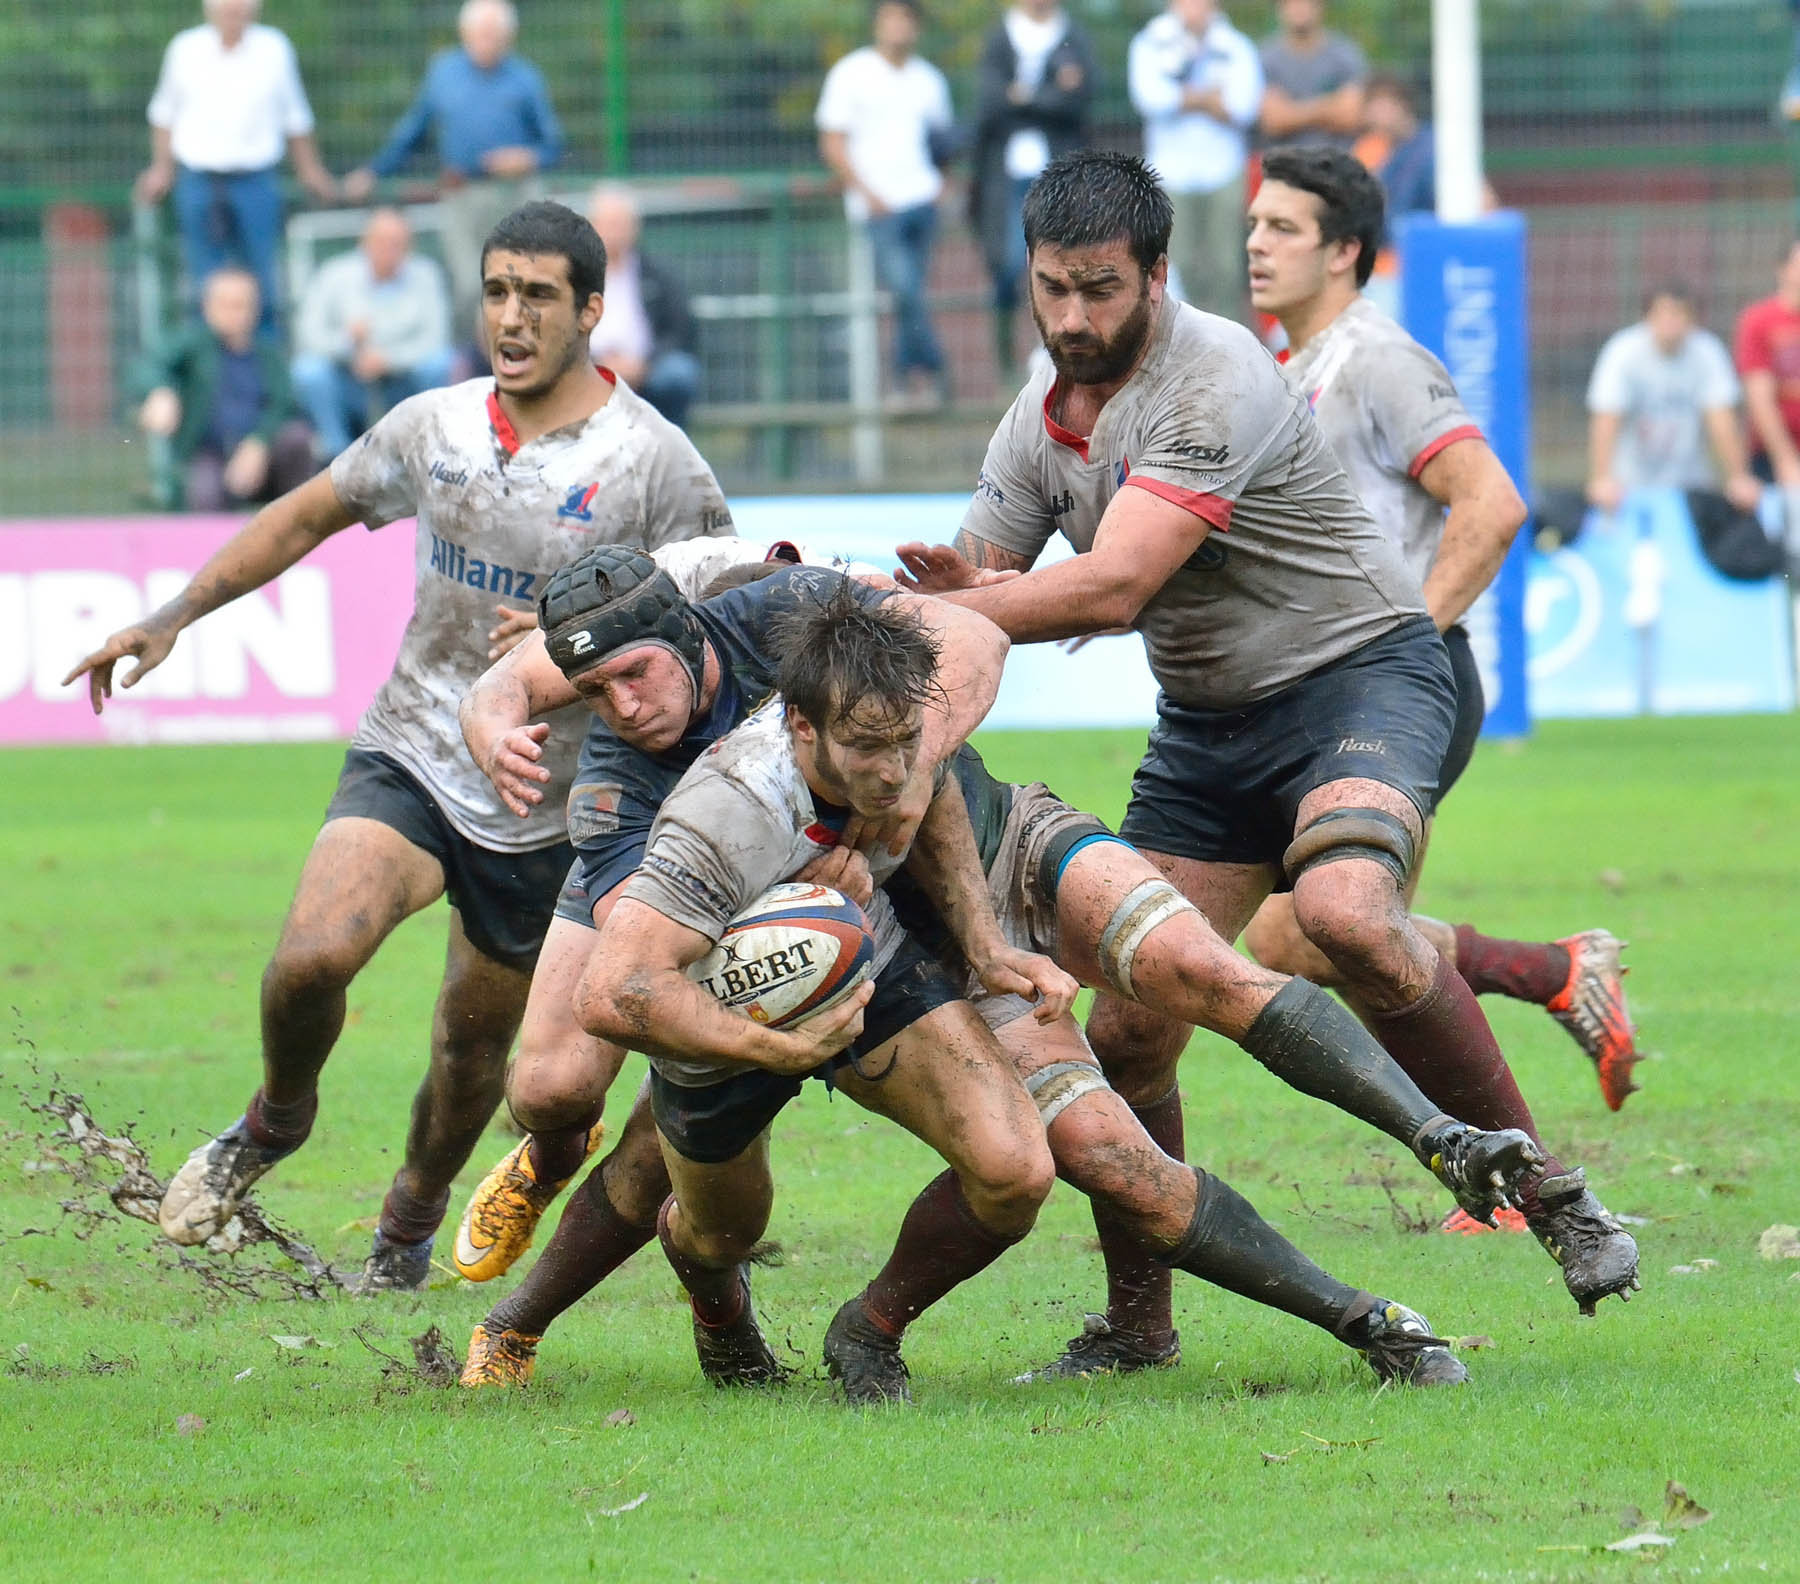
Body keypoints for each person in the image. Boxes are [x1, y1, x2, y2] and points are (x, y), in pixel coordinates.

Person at [453, 546, 1537, 1389]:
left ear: (692, 639)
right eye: (593, 693)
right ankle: (574, 1312)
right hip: (762, 973)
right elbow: (625, 986)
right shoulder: (673, 809)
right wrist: (770, 1036)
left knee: (1052, 1141)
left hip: (927, 912)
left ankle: (1429, 1197)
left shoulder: (795, 623)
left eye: (633, 675)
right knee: (653, 1162)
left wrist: (946, 867)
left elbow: (965, 640)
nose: (623, 707)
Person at [892, 151, 1640, 1357]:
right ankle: (1140, 1330)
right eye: (1053, 290)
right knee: (1131, 1027)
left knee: (1344, 912)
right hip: (1207, 729)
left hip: (1362, 676)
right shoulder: (1037, 419)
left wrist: (963, 607)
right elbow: (985, 584)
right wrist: (951, 598)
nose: (1074, 318)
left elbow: (1119, 581)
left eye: (1100, 289)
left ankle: (1552, 1198)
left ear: (1154, 275)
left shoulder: (1216, 372)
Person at [64, 202, 732, 1292]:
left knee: (469, 1057)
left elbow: (710, 612)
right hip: (416, 744)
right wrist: (175, 613)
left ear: (592, 311)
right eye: (496, 290)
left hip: (548, 808)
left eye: (538, 296)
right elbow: (306, 513)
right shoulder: (435, 426)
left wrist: (594, 637)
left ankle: (405, 1230)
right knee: (308, 960)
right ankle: (274, 1122)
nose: (510, 317)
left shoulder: (653, 460)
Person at [1237, 148, 1643, 1146]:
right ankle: (1550, 977)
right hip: (1316, 699)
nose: (1255, 243)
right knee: (1295, 935)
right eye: (1254, 223)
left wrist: (1399, 651)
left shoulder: (1380, 358)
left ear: (1344, 254)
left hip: (1397, 694)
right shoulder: (1297, 370)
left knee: (1338, 934)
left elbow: (1493, 503)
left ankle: (1505, 1166)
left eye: (1282, 228)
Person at [344, 0, 562, 345]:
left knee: (520, 282)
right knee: (468, 285)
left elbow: (553, 145)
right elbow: (412, 132)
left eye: (494, 34)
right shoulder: (444, 74)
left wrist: (526, 157)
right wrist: (374, 170)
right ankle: (475, 366)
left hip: (515, 196)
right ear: (465, 33)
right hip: (461, 194)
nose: (486, 41)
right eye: (480, 33)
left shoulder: (525, 78)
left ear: (509, 36)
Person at [136, 0, 337, 323]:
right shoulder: (185, 49)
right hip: (199, 182)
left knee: (262, 283)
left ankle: (261, 368)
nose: (234, 7)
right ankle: (210, 370)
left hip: (256, 182)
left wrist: (310, 170)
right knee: (205, 284)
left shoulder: (274, 48)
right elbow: (164, 115)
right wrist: (163, 169)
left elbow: (295, 117)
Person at [816, 0, 955, 407]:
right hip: (878, 207)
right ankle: (933, 370)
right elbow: (832, 142)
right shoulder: (851, 73)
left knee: (909, 295)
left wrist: (940, 187)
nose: (898, 27)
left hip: (921, 202)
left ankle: (906, 381)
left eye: (906, 19)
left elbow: (942, 144)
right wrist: (864, 191)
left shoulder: (929, 80)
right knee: (906, 288)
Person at [970, 1, 1098, 381]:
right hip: (1008, 178)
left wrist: (1022, 96)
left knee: (1067, 264)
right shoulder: (999, 38)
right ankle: (1008, 362)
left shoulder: (1073, 36)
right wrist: (1048, 94)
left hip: (1060, 176)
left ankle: (1057, 355)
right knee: (1011, 264)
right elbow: (989, 102)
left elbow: (1079, 99)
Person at [135, 267, 314, 511]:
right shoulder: (193, 347)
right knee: (203, 490)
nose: (233, 313)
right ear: (207, 307)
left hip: (265, 457)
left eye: (240, 304)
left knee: (297, 439)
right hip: (209, 455)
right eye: (224, 304)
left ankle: (303, 520)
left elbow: (284, 404)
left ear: (255, 308)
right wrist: (160, 392)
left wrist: (259, 442)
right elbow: (150, 363)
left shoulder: (269, 355)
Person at [1127, 0, 1262, 321]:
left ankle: (1227, 345)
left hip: (1224, 170)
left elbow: (1245, 107)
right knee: (1176, 266)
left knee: (1226, 267)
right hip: (1171, 173)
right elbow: (1150, 98)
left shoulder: (1236, 46)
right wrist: (1208, 99)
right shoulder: (1150, 42)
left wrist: (1183, 97)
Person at [290, 208, 454, 459]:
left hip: (403, 382)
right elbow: (309, 335)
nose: (388, 249)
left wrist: (389, 360)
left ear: (410, 246)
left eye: (397, 243)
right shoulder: (333, 274)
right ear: (363, 242)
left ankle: (427, 447)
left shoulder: (426, 275)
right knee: (309, 371)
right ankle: (336, 455)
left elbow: (435, 340)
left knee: (440, 363)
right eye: (381, 242)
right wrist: (347, 343)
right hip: (349, 378)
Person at [1589, 284, 1757, 512]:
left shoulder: (1707, 352)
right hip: (1629, 490)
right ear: (1646, 317)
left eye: (1678, 313)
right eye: (1662, 313)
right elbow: (1607, 417)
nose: (1670, 321)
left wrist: (1739, 476)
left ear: (1693, 319)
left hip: (1690, 487)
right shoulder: (1623, 352)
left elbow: (1721, 420)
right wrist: (1602, 478)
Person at [585, 184, 702, 430]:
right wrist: (597, 361)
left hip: (647, 366)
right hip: (588, 366)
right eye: (608, 224)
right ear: (592, 226)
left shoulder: (657, 274)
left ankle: (669, 450)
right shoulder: (576, 278)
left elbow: (681, 329)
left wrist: (643, 362)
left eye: (620, 224)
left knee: (678, 373)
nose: (614, 233)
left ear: (634, 227)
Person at [1257, 0, 1367, 154]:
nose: (1300, 8)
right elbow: (1274, 121)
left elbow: (1350, 116)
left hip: (1335, 164)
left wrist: (1292, 111)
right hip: (1284, 166)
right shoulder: (1266, 58)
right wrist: (1329, 105)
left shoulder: (1345, 55)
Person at [1733, 241, 1800, 488]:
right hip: (1771, 458)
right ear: (1782, 269)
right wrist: (1785, 460)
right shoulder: (1759, 320)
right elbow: (1759, 398)